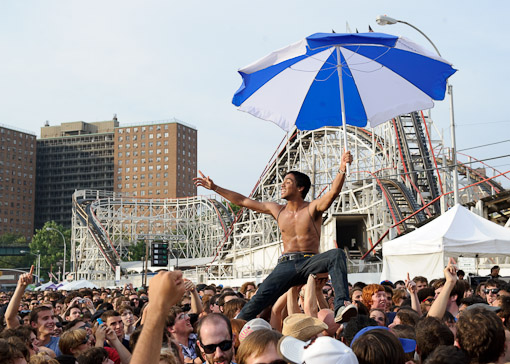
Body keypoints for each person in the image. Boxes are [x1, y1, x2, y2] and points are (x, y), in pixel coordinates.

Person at [193, 151, 355, 323]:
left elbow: (332, 193)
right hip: (286, 264)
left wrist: (342, 168)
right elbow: (242, 201)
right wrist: (215, 188)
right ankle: (234, 327)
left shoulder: (313, 207)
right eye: (283, 182)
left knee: (336, 254)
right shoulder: (277, 210)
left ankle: (341, 305)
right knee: (256, 302)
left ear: (300, 188)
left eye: (288, 182)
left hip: (310, 262)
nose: (282, 185)